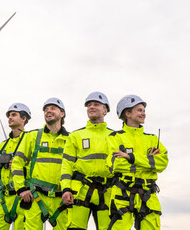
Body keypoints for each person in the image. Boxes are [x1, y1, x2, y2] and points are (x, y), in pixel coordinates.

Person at [107, 95, 169, 230]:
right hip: (122, 193)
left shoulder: (152, 139)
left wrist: (131, 158)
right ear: (127, 113)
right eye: (139, 110)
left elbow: (162, 163)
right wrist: (148, 163)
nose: (144, 113)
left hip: (148, 194)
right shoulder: (115, 137)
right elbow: (115, 165)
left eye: (144, 110)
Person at [12, 97, 70, 230]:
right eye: (46, 109)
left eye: (52, 108)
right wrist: (21, 189)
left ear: (62, 113)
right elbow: (17, 163)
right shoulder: (32, 136)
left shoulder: (71, 139)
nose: (48, 111)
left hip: (60, 198)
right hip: (35, 197)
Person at [61, 91, 114, 230]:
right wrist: (66, 188)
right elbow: (66, 165)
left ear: (105, 110)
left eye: (96, 104)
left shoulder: (115, 137)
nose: (91, 107)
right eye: (89, 105)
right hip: (80, 190)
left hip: (107, 191)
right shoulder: (75, 136)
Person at [0, 103, 31, 230]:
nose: (10, 118)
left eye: (14, 115)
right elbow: (0, 175)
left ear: (24, 119)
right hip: (3, 198)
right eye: (9, 116)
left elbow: (38, 167)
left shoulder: (30, 141)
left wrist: (20, 168)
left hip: (22, 197)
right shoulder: (3, 145)